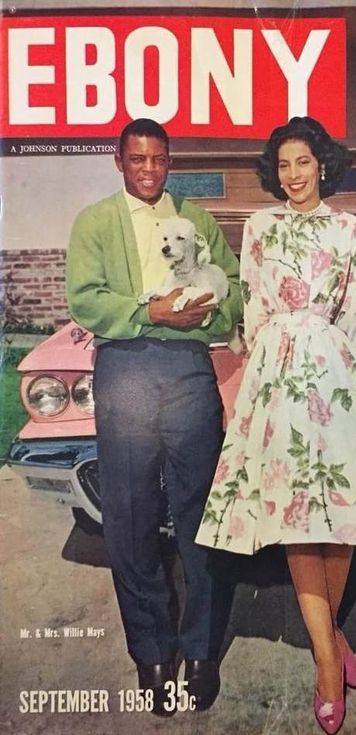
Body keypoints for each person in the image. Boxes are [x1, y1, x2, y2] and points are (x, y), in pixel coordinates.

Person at [195, 116, 356, 733]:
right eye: (283, 166)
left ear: (322, 165)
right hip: (274, 373)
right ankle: (325, 659)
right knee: (292, 515)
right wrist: (265, 373)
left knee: (339, 511)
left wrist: (331, 364)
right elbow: (255, 303)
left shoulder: (349, 228)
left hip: (331, 369)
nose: (293, 176)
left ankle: (324, 638)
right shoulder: (258, 226)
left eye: (303, 164)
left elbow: (350, 309)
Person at [66, 118, 242, 716]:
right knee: (132, 517)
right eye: (137, 159)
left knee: (202, 517)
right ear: (120, 161)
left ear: (171, 162)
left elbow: (234, 290)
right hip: (126, 372)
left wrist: (204, 316)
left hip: (191, 374)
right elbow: (85, 299)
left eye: (159, 159)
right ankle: (153, 654)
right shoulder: (95, 221)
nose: (148, 169)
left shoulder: (197, 219)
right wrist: (151, 314)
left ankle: (200, 652)